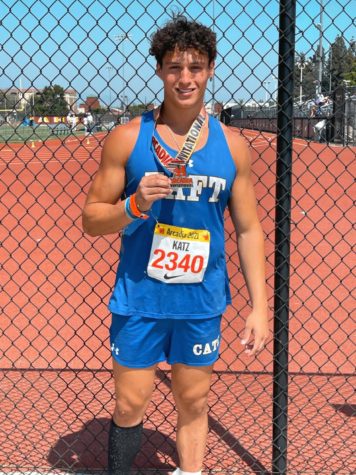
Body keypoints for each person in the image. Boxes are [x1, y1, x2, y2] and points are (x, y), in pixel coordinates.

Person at [82, 15, 269, 475]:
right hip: (140, 297)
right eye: (174, 67)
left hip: (200, 299)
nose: (185, 78)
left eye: (195, 67)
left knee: (194, 400)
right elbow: (90, 218)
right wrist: (132, 204)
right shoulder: (128, 138)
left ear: (209, 70)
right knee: (128, 405)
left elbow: (248, 229)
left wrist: (260, 306)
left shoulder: (232, 146)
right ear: (160, 70)